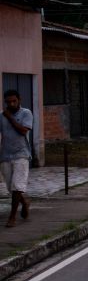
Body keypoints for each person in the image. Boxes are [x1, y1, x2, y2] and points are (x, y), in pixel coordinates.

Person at [1, 90, 33, 228]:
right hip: (5, 155)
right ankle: (24, 202)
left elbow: (23, 131)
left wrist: (10, 118)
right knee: (11, 187)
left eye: (14, 101)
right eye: (8, 102)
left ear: (19, 100)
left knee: (17, 186)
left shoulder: (26, 113)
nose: (11, 104)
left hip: (22, 154)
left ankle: (12, 217)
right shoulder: (1, 116)